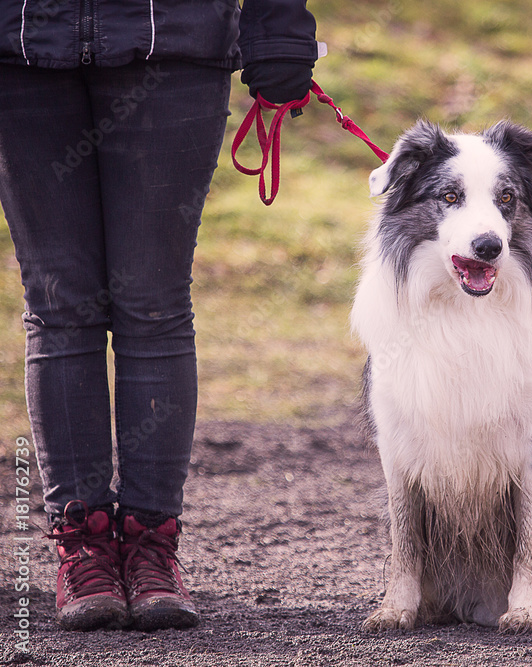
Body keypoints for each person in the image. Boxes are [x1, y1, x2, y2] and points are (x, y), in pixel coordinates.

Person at [0, 0, 318, 631]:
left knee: (155, 303)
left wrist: (277, 25)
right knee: (60, 305)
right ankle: (82, 549)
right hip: (20, 45)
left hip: (171, 40)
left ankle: (151, 547)